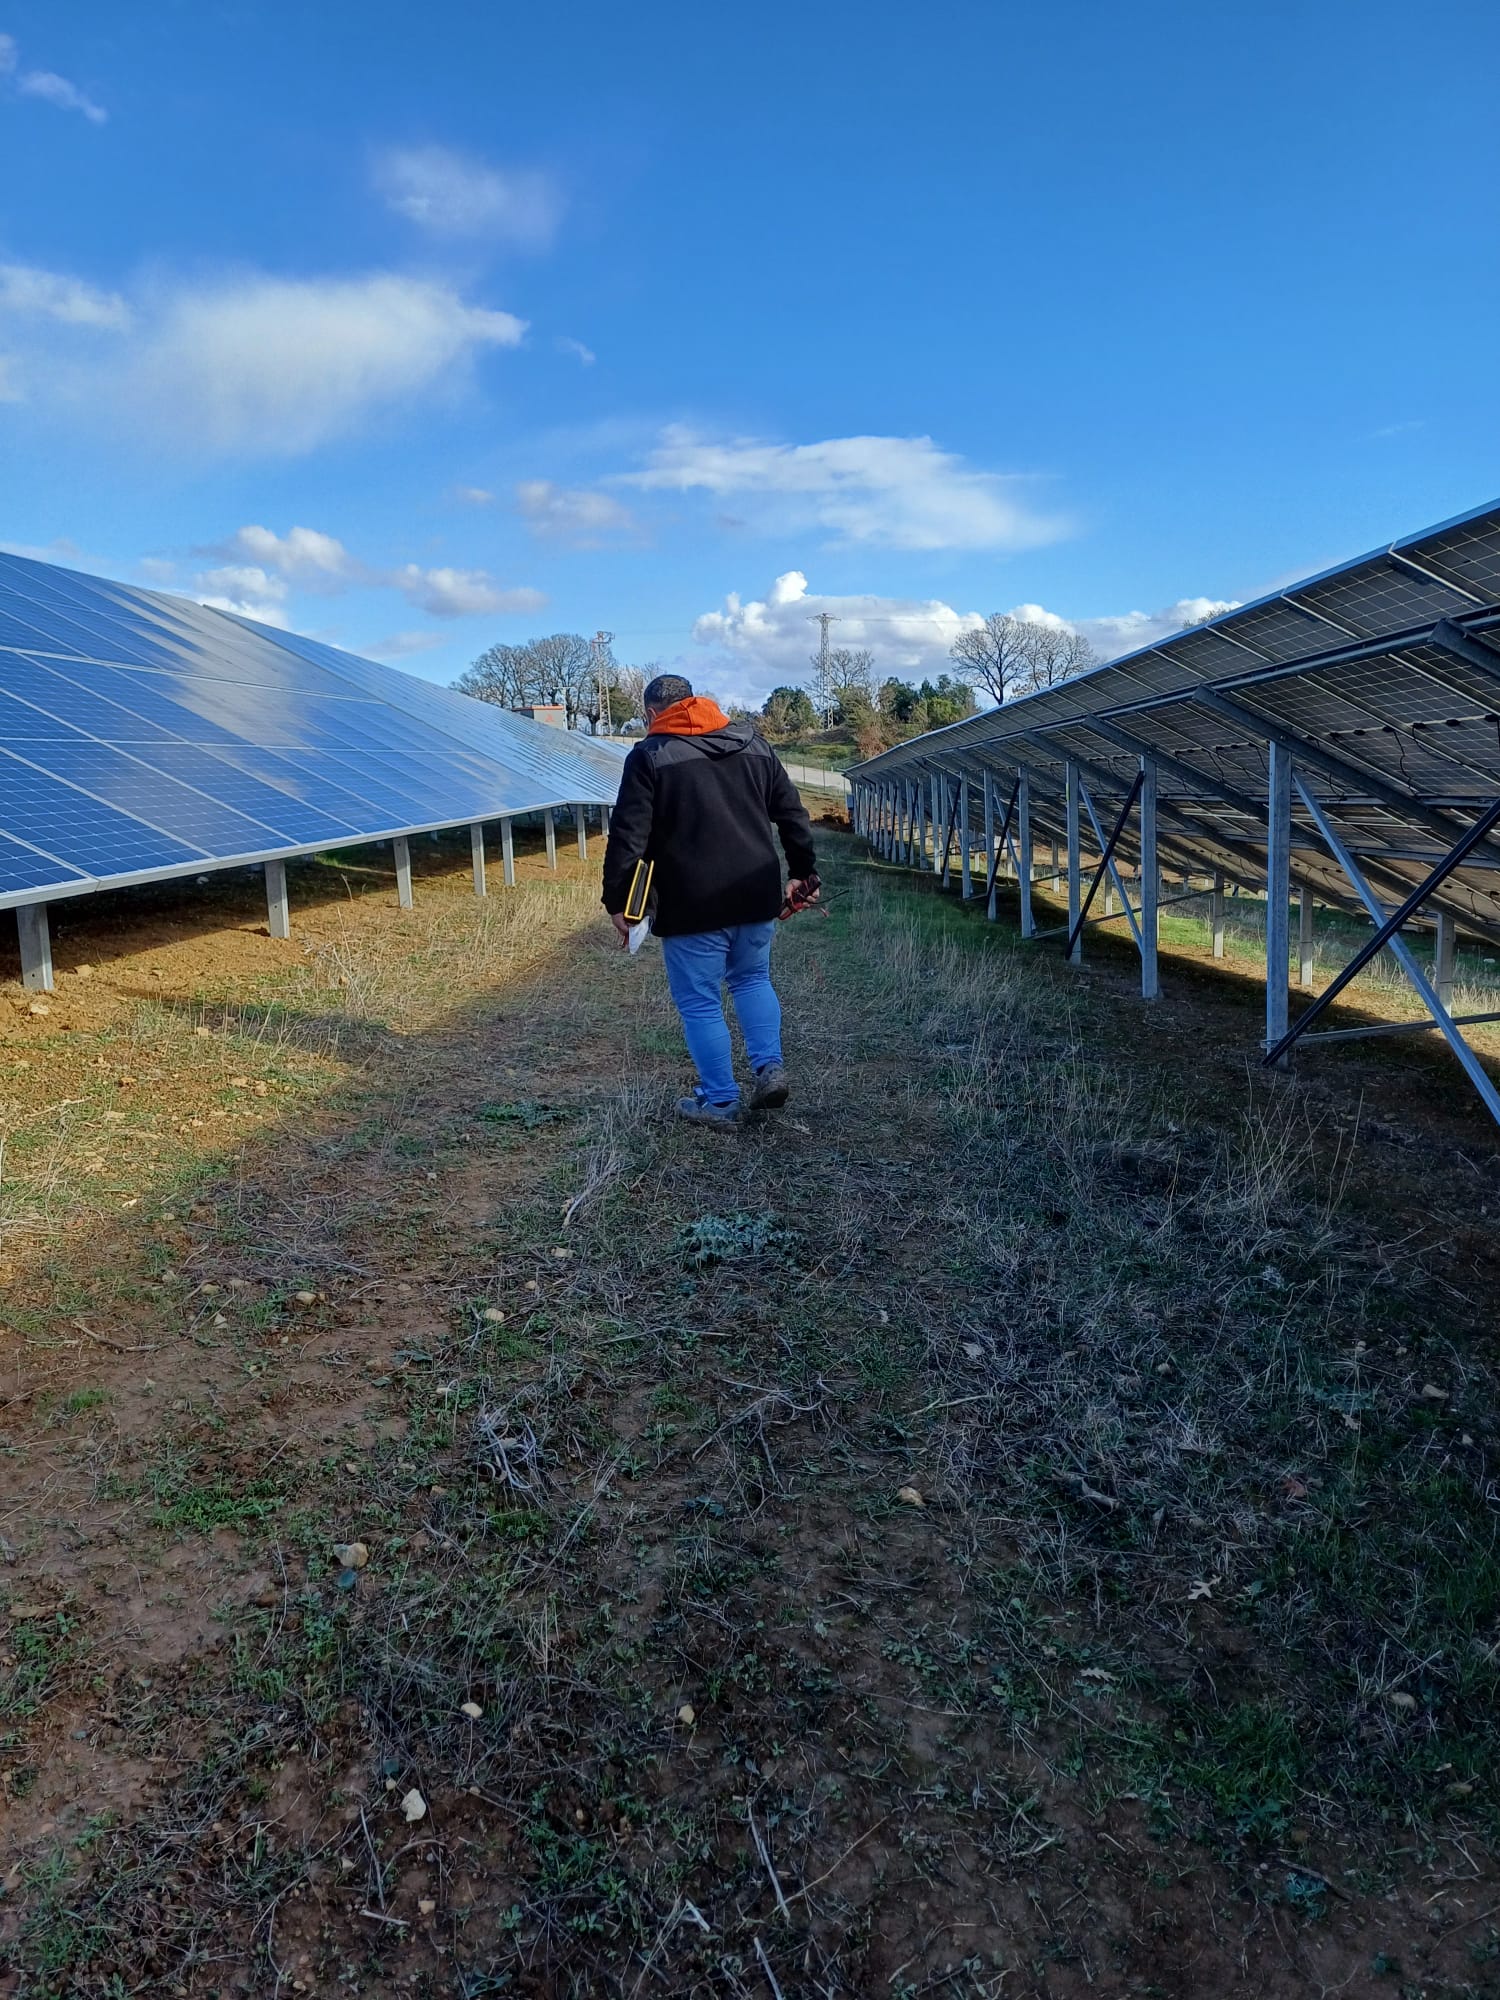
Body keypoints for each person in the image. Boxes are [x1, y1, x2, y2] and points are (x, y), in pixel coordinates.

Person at [601, 673, 817, 1126]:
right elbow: (792, 813)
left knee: (700, 1000)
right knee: (753, 980)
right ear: (697, 702)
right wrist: (802, 873)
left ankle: (720, 1100)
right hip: (756, 893)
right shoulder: (754, 744)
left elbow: (628, 835)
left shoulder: (649, 756)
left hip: (690, 902)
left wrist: (619, 901)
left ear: (651, 714)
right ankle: (768, 1067)